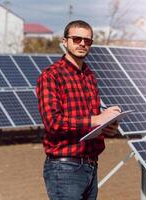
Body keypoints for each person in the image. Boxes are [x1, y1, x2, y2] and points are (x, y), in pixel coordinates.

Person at [36, 20, 121, 200]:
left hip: (91, 165)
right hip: (65, 168)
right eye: (76, 39)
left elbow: (91, 118)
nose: (82, 43)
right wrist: (96, 119)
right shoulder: (51, 76)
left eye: (87, 40)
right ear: (65, 41)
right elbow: (53, 123)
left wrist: (106, 126)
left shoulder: (90, 76)